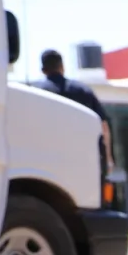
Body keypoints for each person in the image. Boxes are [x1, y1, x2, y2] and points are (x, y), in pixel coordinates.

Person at [33, 49, 115, 178]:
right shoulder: (83, 91)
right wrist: (108, 160)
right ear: (62, 67)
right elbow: (103, 126)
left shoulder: (35, 93)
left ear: (43, 70)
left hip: (46, 165)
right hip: (84, 162)